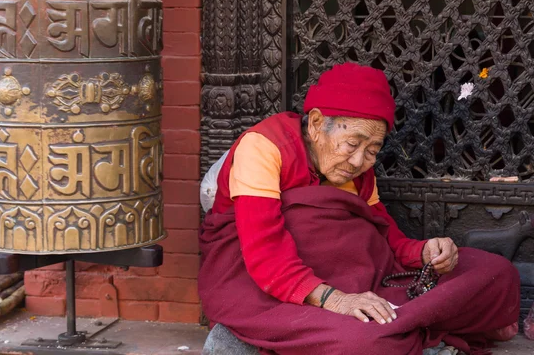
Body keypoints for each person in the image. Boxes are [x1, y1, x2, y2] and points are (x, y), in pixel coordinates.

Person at [198, 62, 520, 355]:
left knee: (498, 274)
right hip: (269, 288)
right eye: (353, 144)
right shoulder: (263, 148)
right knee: (363, 344)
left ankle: (403, 328)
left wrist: (424, 253)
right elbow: (265, 253)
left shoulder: (357, 169)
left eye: (372, 151)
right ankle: (406, 331)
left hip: (361, 281)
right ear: (316, 124)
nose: (358, 162)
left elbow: (385, 237)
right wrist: (336, 300)